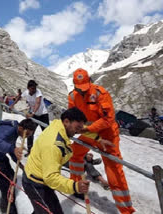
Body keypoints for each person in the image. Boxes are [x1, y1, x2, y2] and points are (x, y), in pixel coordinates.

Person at [68, 68, 135, 213]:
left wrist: (88, 129)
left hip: (107, 134)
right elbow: (72, 115)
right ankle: (77, 187)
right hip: (89, 132)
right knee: (74, 154)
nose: (82, 92)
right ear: (74, 85)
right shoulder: (72, 97)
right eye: (79, 89)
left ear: (90, 81)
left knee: (113, 170)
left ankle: (126, 210)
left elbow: (108, 119)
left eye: (85, 88)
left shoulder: (100, 93)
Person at [22, 107, 90, 214]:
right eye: (77, 127)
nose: (78, 131)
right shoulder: (53, 145)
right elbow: (50, 177)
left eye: (81, 128)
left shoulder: (58, 127)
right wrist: (74, 186)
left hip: (40, 176)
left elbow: (61, 153)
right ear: (66, 121)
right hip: (35, 182)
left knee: (43, 209)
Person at [0, 119, 37, 214]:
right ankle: (9, 209)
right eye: (27, 134)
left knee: (12, 177)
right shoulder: (8, 130)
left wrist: (19, 164)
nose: (27, 137)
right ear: (21, 128)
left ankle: (6, 201)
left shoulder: (15, 132)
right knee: (5, 185)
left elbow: (11, 149)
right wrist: (13, 149)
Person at [10, 80, 49, 155]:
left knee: (47, 133)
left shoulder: (38, 92)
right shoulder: (26, 92)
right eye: (32, 88)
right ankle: (30, 150)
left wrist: (32, 113)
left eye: (34, 88)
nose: (34, 90)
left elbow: (38, 103)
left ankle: (47, 151)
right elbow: (19, 98)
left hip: (43, 115)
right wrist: (13, 105)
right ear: (28, 88)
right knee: (30, 132)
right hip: (34, 115)